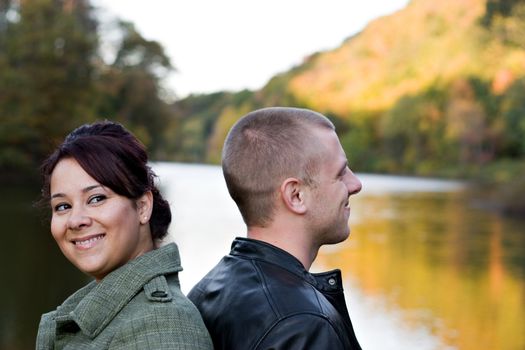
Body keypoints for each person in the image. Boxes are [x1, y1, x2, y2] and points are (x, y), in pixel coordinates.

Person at [188, 107, 363, 349]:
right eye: (340, 173)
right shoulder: (304, 326)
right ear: (296, 195)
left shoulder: (208, 290)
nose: (355, 184)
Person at [36, 121, 213, 350]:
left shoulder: (162, 325)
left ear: (142, 207)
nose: (75, 220)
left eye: (96, 199)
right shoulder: (115, 311)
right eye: (62, 206)